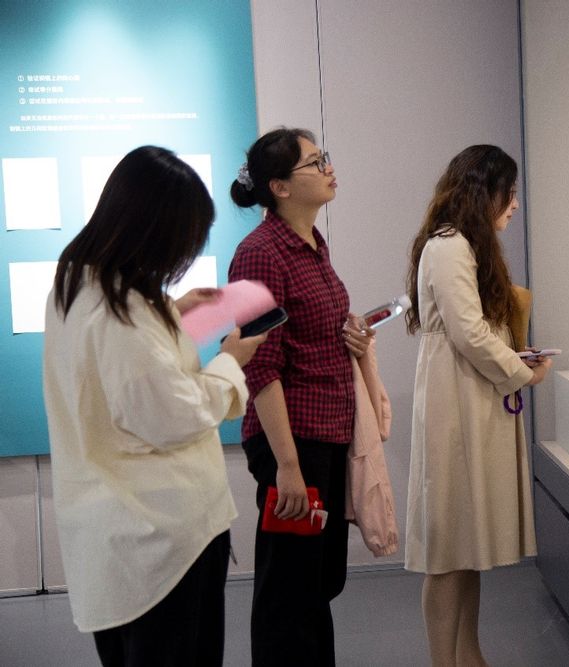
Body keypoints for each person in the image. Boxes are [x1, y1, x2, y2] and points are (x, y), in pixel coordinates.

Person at [42, 145, 265, 666]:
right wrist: (230, 363)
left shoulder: (76, 283)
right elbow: (173, 415)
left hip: (114, 533)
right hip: (160, 538)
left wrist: (169, 310)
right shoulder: (121, 313)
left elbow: (122, 374)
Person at [229, 127, 372, 666]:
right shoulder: (260, 255)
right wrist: (287, 466)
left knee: (317, 585)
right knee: (288, 593)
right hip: (292, 443)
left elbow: (310, 335)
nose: (328, 168)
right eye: (315, 163)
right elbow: (261, 365)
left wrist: (353, 338)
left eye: (323, 158)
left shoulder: (312, 244)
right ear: (280, 187)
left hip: (325, 437)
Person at [404, 144, 552, 666]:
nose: (515, 204)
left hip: (470, 397)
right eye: (509, 192)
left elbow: (474, 331)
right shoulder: (449, 246)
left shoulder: (462, 245)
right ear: (483, 192)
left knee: (464, 547)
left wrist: (517, 361)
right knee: (449, 551)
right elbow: (468, 332)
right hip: (456, 405)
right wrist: (522, 372)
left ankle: (468, 655)